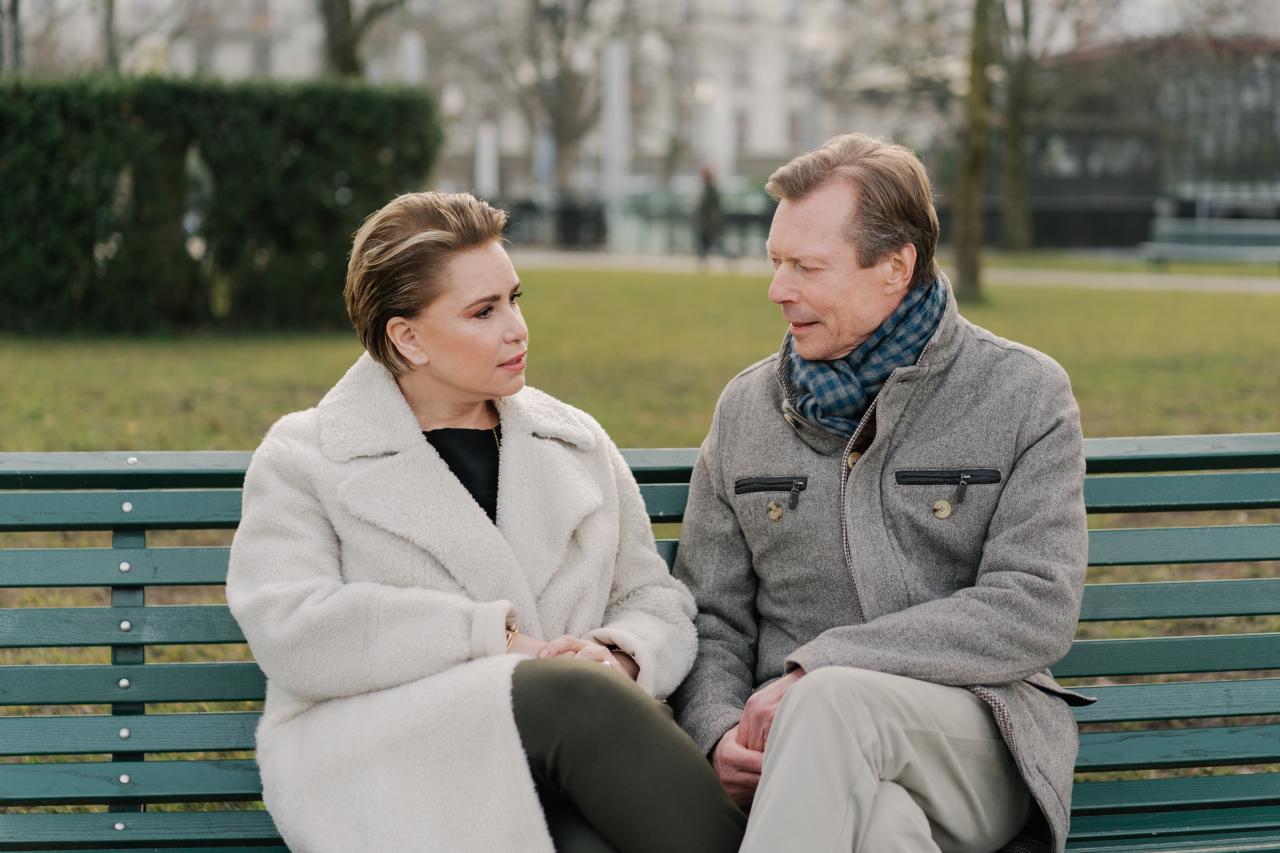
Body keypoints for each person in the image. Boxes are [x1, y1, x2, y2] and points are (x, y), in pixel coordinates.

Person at [226, 191, 745, 853]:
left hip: (580, 764)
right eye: (484, 311)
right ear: (407, 337)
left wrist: (616, 656)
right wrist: (497, 643)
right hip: (392, 762)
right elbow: (294, 629)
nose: (517, 328)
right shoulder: (308, 455)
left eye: (514, 299)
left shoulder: (574, 440)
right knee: (572, 697)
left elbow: (652, 596)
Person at [669, 133, 1092, 853]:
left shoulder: (1023, 393)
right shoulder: (745, 411)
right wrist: (714, 732)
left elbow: (1034, 605)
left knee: (834, 702)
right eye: (775, 261)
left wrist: (824, 663)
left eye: (806, 266)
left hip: (974, 740)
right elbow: (712, 616)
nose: (778, 289)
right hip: (796, 763)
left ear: (895, 267)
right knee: (883, 827)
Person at [693, 164, 725, 263]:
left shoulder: (710, 189)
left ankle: (729, 258)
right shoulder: (707, 189)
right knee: (707, 244)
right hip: (707, 223)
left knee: (714, 243)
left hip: (709, 223)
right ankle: (702, 261)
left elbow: (709, 207)